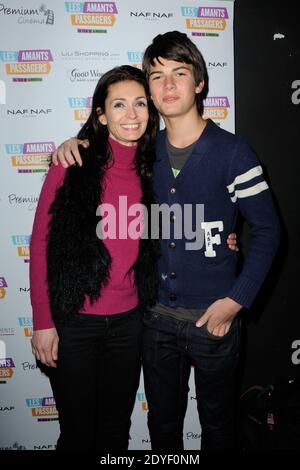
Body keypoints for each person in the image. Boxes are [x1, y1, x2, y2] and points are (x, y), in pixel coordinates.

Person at [51, 31, 277, 451]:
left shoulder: (234, 153)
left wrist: (236, 299)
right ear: (149, 89)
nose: (168, 86)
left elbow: (268, 230)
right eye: (157, 76)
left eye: (180, 73)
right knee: (163, 432)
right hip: (154, 318)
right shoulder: (142, 153)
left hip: (215, 318)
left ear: (200, 82)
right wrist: (73, 143)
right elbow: (106, 163)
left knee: (218, 428)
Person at [30, 65, 159, 451]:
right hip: (74, 324)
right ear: (101, 115)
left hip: (129, 324)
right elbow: (40, 245)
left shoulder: (156, 169)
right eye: (119, 105)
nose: (131, 114)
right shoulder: (72, 165)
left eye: (140, 103)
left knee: (116, 431)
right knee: (78, 435)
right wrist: (43, 322)